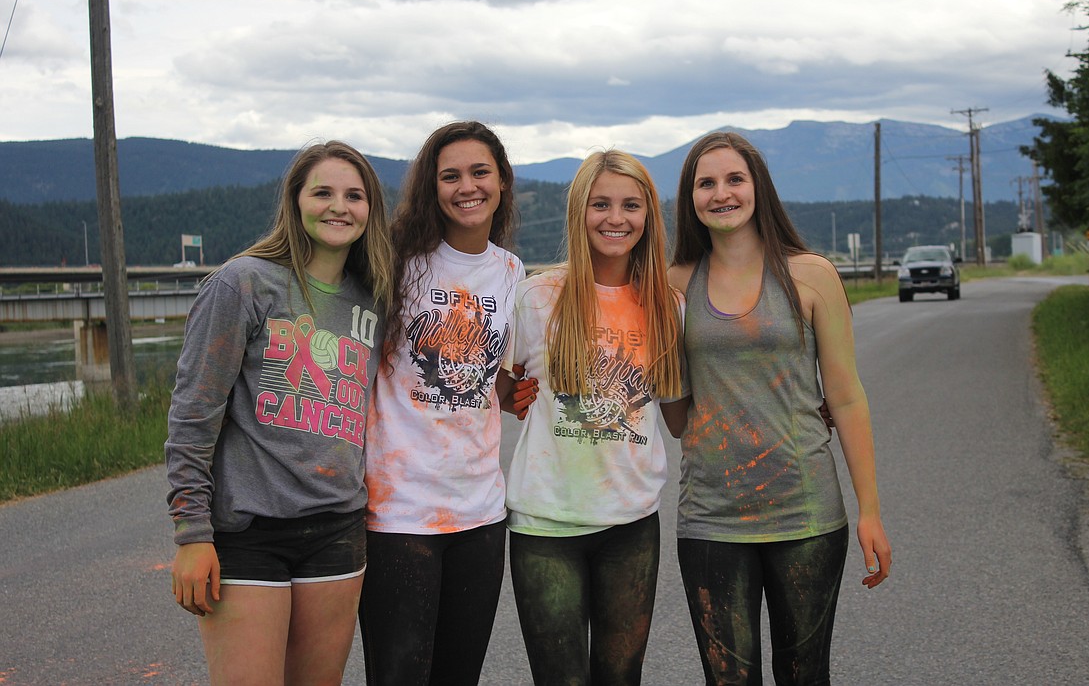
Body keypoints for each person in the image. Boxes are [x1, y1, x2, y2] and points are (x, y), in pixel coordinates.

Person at [667, 131, 892, 686]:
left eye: (734, 179)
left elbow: (845, 395)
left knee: (805, 675)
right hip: (711, 518)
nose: (722, 193)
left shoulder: (811, 274)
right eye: (706, 183)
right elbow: (677, 417)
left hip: (807, 515)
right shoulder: (674, 285)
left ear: (757, 187)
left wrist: (870, 510)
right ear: (690, 198)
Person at [166, 140, 394, 685]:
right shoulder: (242, 283)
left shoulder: (374, 298)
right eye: (323, 192)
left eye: (354, 196)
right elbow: (194, 414)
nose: (339, 206)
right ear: (295, 202)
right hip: (248, 531)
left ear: (370, 210)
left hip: (337, 528)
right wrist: (191, 533)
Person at [503, 149, 686, 686]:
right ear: (579, 211)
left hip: (630, 522)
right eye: (600, 204)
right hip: (545, 523)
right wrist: (517, 398)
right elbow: (496, 387)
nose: (615, 218)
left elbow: (678, 414)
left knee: (619, 677)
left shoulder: (666, 306)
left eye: (631, 205)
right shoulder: (538, 297)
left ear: (649, 215)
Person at [358, 121, 530, 686]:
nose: (466, 187)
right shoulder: (397, 263)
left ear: (502, 181)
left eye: (480, 172)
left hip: (481, 511)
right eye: (449, 175)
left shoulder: (510, 272)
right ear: (432, 188)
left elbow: (486, 378)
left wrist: (516, 392)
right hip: (399, 512)